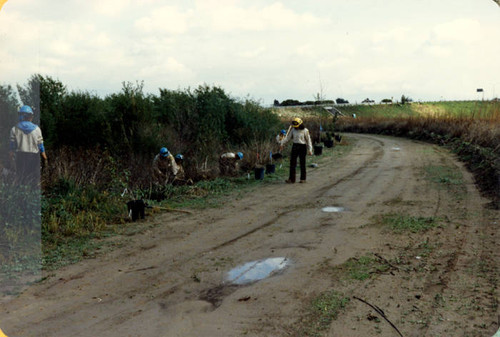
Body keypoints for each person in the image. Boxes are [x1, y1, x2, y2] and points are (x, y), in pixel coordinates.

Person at [9, 105, 47, 185]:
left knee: (21, 178)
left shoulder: (14, 129)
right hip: (34, 157)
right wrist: (44, 156)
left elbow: (12, 147)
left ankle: (21, 195)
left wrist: (11, 156)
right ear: (30, 116)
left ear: (21, 115)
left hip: (20, 156)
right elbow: (40, 145)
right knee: (34, 179)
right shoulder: (37, 129)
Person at [279, 117, 313, 183]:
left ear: (300, 124)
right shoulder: (293, 130)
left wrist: (310, 149)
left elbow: (308, 141)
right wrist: (281, 144)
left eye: (297, 126)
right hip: (295, 146)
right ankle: (291, 179)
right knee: (292, 163)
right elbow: (287, 138)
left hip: (302, 147)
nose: (296, 127)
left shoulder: (305, 131)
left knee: (302, 163)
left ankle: (303, 179)